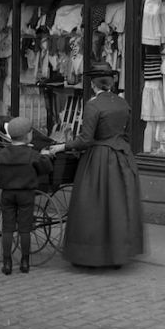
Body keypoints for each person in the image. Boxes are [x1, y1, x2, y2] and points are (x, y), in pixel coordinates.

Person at [48, 61, 144, 268]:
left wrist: (61, 147)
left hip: (99, 161)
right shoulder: (122, 103)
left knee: (92, 207)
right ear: (110, 83)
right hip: (122, 159)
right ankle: (117, 254)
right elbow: (126, 135)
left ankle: (89, 256)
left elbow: (85, 140)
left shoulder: (93, 105)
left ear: (93, 84)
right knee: (117, 207)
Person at [0, 116, 53, 275]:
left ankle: (7, 264)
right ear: (28, 136)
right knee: (25, 229)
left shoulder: (1, 154)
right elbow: (46, 167)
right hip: (26, 195)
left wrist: (0, 179)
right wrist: (45, 156)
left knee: (7, 228)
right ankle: (25, 263)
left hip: (7, 193)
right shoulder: (32, 154)